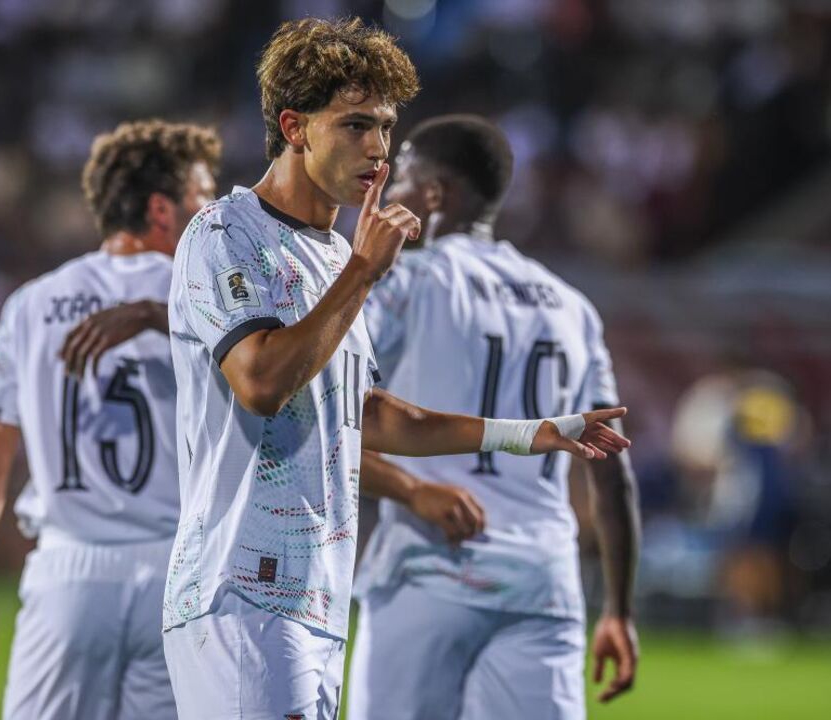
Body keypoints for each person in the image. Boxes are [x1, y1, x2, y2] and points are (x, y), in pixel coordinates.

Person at [160, 19, 631, 720]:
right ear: (295, 127)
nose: (378, 150)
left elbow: (371, 414)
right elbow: (259, 383)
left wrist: (531, 432)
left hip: (317, 591)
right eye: (355, 126)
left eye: (384, 127)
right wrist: (362, 272)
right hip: (240, 586)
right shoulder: (228, 233)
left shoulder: (329, 254)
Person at [347, 115, 641, 720]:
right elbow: (611, 465)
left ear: (435, 193)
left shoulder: (409, 280)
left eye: (401, 176)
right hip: (542, 581)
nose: (389, 188)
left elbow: (329, 409)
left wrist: (409, 490)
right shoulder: (571, 305)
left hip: (430, 569)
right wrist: (618, 608)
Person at [0, 119, 219, 719]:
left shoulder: (32, 304)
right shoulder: (210, 299)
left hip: (68, 573)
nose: (214, 212)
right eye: (203, 197)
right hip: (182, 574)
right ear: (161, 209)